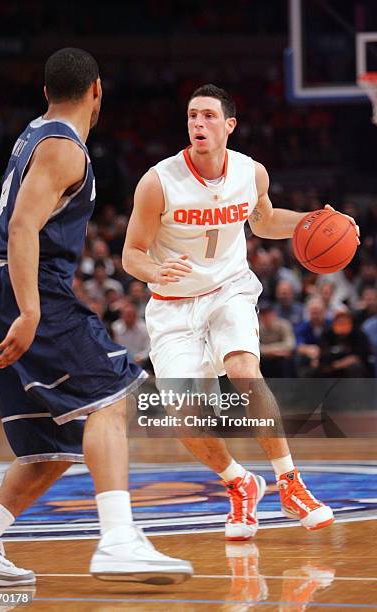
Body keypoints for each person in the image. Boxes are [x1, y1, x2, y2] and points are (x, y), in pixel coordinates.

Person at [0, 48, 192, 587]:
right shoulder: (64, 150)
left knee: (51, 446)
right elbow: (23, 228)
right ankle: (117, 542)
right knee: (112, 395)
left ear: (47, 92)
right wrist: (30, 309)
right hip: (29, 286)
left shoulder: (33, 133)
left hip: (1, 289)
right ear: (97, 90)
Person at [123, 84, 359, 540]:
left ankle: (289, 482)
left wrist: (314, 220)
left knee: (244, 371)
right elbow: (131, 253)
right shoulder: (158, 181)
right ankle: (239, 482)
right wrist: (156, 267)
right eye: (192, 116)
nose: (198, 124)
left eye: (209, 116)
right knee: (181, 414)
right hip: (172, 306)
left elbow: (264, 220)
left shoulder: (251, 173)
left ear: (229, 125)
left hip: (229, 289)